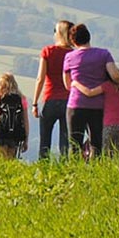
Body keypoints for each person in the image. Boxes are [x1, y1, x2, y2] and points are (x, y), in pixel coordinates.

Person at [62, 23, 119, 159]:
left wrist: (78, 84)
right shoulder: (104, 54)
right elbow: (116, 76)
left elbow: (67, 84)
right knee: (96, 143)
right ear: (89, 37)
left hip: (76, 104)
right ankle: (95, 170)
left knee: (75, 143)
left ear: (73, 41)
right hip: (97, 105)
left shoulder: (69, 57)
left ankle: (74, 172)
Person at [31, 20, 74, 160]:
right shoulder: (73, 54)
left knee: (44, 141)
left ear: (59, 33)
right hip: (68, 101)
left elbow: (40, 78)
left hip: (49, 99)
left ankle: (43, 170)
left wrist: (35, 103)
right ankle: (64, 171)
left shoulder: (48, 51)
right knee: (65, 142)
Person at [0, 73, 28, 160]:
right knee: (11, 161)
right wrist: (26, 139)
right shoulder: (22, 99)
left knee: (0, 160)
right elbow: (25, 120)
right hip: (15, 135)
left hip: (1, 133)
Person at [100, 70, 119, 159]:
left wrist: (76, 84)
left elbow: (90, 92)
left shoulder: (106, 86)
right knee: (117, 153)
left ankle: (104, 170)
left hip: (109, 124)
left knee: (104, 153)